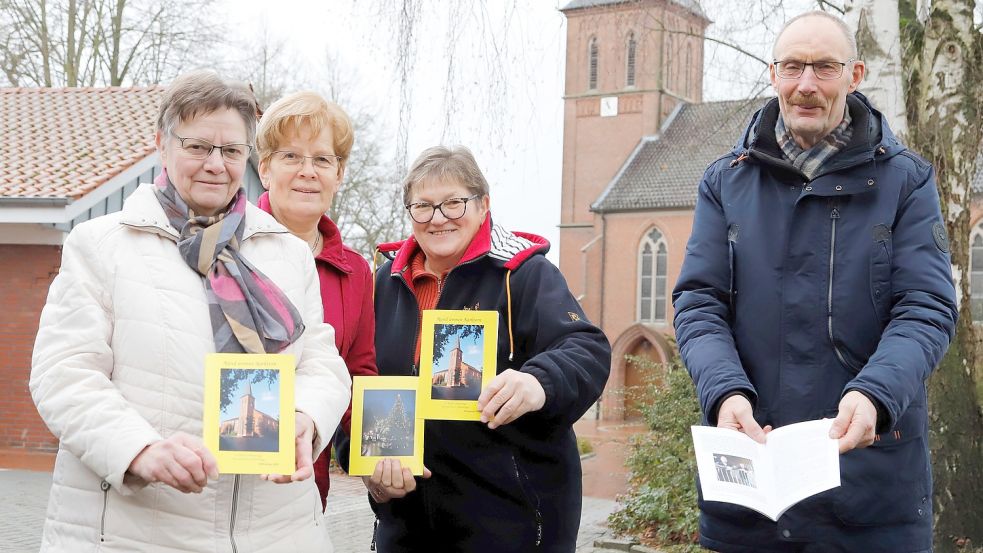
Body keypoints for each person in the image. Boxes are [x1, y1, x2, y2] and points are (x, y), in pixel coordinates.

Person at [30, 70, 351, 552]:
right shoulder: (101, 245)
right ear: (162, 144)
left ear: (247, 157)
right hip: (137, 530)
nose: (215, 165)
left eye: (231, 150)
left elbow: (323, 365)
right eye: (198, 146)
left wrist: (305, 418)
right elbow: (64, 374)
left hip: (277, 531)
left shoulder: (287, 252)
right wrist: (140, 450)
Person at [672, 11, 958, 553]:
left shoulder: (907, 181)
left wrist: (876, 394)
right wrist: (724, 390)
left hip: (872, 496)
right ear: (774, 73)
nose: (806, 84)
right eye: (792, 67)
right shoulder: (723, 181)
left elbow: (926, 307)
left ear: (854, 76)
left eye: (824, 68)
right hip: (750, 495)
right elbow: (698, 302)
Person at [363, 146, 611, 552]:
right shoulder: (381, 285)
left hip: (507, 525)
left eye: (454, 203)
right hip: (405, 527)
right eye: (422, 206)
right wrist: (366, 464)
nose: (438, 218)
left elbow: (586, 348)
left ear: (484, 205)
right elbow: (355, 379)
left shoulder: (524, 274)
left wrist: (538, 381)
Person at [255, 90, 378, 510]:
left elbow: (358, 373)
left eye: (322, 160)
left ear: (339, 174)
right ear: (264, 168)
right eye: (291, 156)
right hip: (227, 476)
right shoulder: (226, 251)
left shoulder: (356, 271)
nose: (308, 171)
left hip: (307, 483)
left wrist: (384, 456)